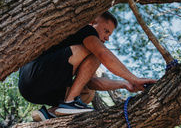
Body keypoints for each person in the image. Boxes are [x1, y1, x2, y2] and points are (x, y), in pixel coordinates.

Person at [18, 12, 157, 121]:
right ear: (93, 22)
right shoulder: (84, 28)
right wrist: (135, 78)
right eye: (106, 31)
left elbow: (92, 82)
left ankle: (48, 114)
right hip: (35, 73)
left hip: (32, 90)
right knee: (97, 51)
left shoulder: (79, 55)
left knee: (87, 93)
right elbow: (102, 53)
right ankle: (69, 102)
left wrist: (125, 84)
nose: (108, 38)